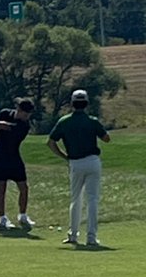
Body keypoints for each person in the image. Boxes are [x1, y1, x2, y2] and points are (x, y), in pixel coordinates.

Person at [47, 89, 110, 249]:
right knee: (92, 200)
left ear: (72, 104)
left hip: (75, 163)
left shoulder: (64, 121)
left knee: (76, 200)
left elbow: (51, 142)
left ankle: (73, 235)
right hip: (93, 161)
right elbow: (106, 138)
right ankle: (91, 237)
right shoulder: (92, 120)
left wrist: (64, 156)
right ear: (86, 103)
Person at [0, 98, 36, 231]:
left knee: (24, 188)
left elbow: (6, 126)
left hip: (14, 158)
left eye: (29, 115)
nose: (27, 117)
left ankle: (22, 215)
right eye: (25, 114)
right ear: (19, 110)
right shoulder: (5, 113)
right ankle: (2, 218)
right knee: (1, 189)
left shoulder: (24, 126)